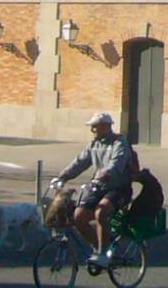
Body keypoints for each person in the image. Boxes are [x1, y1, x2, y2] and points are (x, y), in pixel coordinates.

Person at [53, 112, 134, 267]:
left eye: (95, 127)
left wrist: (102, 177)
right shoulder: (94, 144)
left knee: (101, 212)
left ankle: (104, 252)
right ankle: (98, 248)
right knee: (78, 216)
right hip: (99, 187)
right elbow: (80, 162)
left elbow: (116, 165)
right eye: (92, 127)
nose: (93, 130)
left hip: (119, 188)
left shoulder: (119, 143)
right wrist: (62, 177)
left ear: (106, 126)